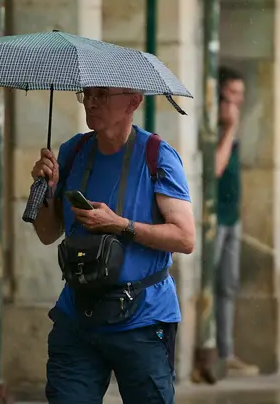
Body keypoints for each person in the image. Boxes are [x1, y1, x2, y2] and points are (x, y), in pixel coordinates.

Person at [30, 86, 196, 403]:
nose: (91, 102)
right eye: (86, 94)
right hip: (77, 316)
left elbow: (185, 238)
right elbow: (48, 233)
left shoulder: (156, 155)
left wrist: (120, 224)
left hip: (142, 319)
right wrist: (44, 190)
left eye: (102, 95)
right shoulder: (72, 152)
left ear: (133, 101)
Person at [214, 67, 258, 374]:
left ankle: (226, 353)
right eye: (232, 95)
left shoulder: (233, 125)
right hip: (213, 218)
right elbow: (215, 168)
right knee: (207, 284)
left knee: (228, 286)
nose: (237, 104)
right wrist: (229, 131)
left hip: (232, 217)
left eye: (241, 96)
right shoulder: (213, 128)